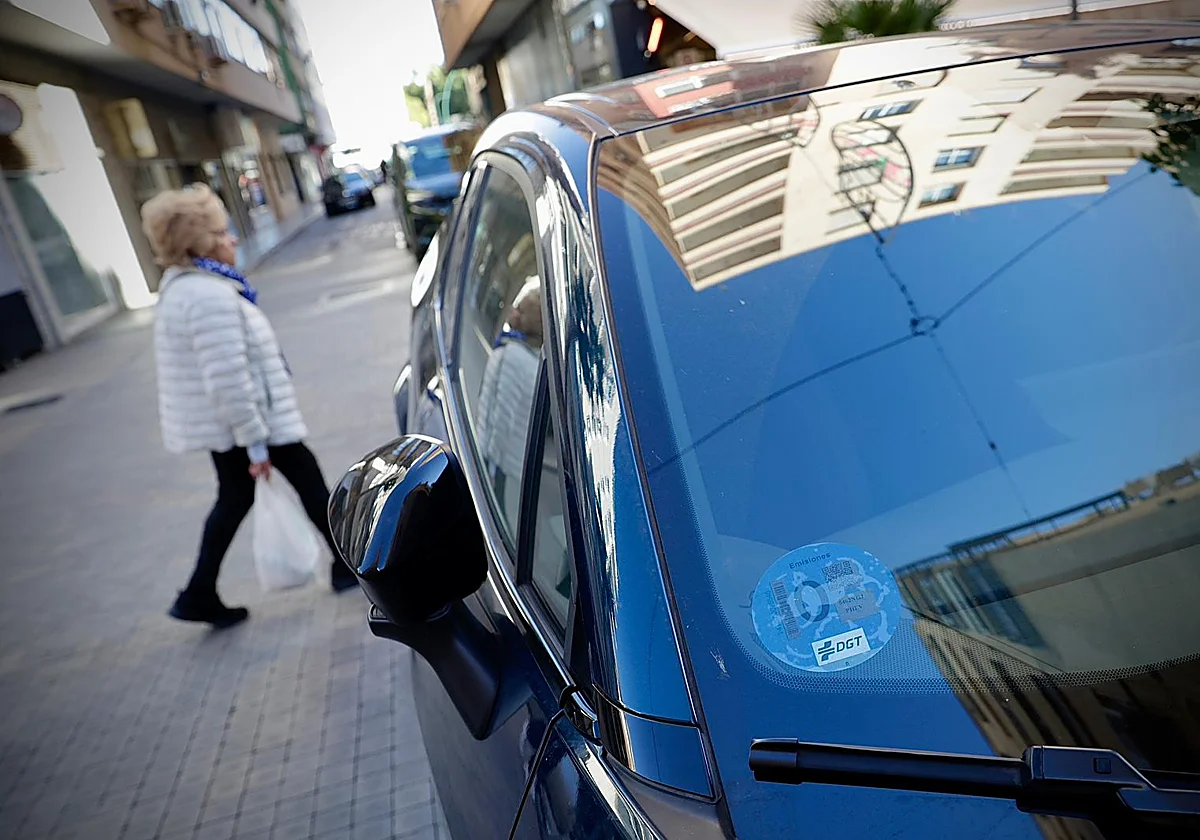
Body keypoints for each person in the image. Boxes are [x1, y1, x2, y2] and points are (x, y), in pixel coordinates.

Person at [143, 184, 358, 629]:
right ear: (197, 244)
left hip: (243, 426)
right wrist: (256, 445)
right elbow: (228, 381)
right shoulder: (207, 297)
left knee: (240, 498)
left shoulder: (194, 288)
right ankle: (345, 566)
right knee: (309, 486)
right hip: (251, 425)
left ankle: (198, 593)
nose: (233, 240)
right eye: (222, 233)